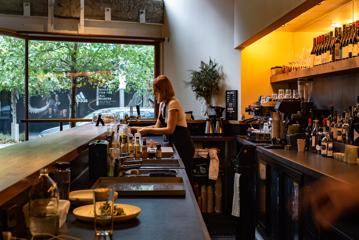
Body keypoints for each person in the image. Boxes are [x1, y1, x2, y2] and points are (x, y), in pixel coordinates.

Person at [131, 75, 195, 177]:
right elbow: (157, 126)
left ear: (163, 90)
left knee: (185, 177)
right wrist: (135, 129)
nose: (154, 93)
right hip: (174, 144)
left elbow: (170, 130)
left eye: (156, 90)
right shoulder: (163, 104)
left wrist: (146, 131)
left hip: (183, 145)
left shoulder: (173, 104)